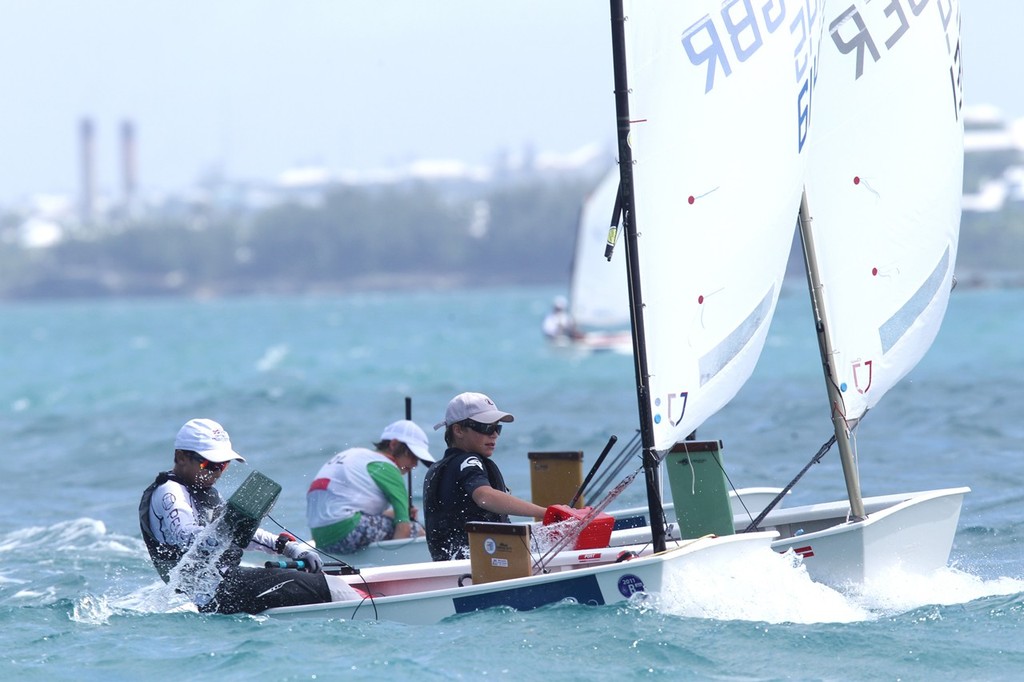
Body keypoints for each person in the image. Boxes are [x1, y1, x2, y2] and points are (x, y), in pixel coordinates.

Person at [139, 418, 348, 615]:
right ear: (181, 457)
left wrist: (287, 547)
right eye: (209, 465)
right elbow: (190, 540)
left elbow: (238, 533)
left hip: (225, 583)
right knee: (327, 587)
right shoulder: (169, 493)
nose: (217, 472)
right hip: (210, 595)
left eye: (223, 465)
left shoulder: (206, 492)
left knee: (321, 580)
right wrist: (232, 524)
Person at [423, 392, 547, 561]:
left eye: (497, 428)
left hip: (452, 566)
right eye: (486, 427)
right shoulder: (469, 461)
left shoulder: (438, 468)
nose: (494, 434)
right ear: (458, 430)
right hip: (478, 565)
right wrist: (545, 512)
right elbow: (484, 497)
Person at [306, 419, 434, 554]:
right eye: (412, 456)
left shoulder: (355, 455)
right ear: (393, 444)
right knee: (415, 529)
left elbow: (348, 509)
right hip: (346, 532)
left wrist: (394, 514)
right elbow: (404, 528)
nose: (415, 464)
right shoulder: (386, 467)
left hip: (320, 538)